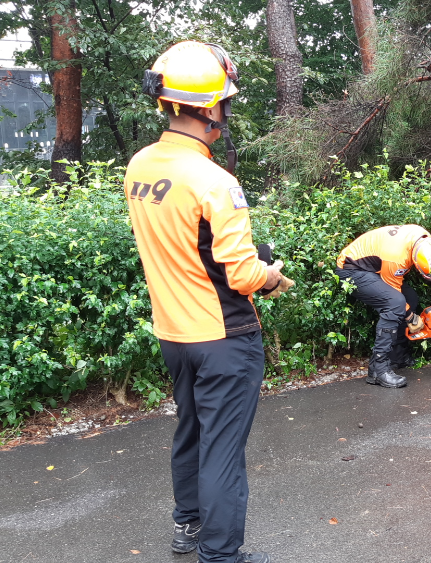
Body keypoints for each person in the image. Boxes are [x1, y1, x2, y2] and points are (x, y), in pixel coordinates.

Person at [125, 40, 289, 563]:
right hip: (224, 338)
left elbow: (180, 246)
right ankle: (221, 555)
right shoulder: (216, 181)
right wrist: (272, 277)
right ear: (211, 108)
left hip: (173, 333)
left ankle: (189, 524)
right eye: (226, 102)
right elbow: (242, 274)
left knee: (191, 432)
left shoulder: (139, 166)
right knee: (223, 450)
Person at [336, 225, 431, 389]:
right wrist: (412, 318)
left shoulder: (428, 241)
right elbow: (394, 294)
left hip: (376, 267)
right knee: (395, 303)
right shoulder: (395, 258)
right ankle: (378, 370)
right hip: (352, 270)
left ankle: (397, 357)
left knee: (410, 298)